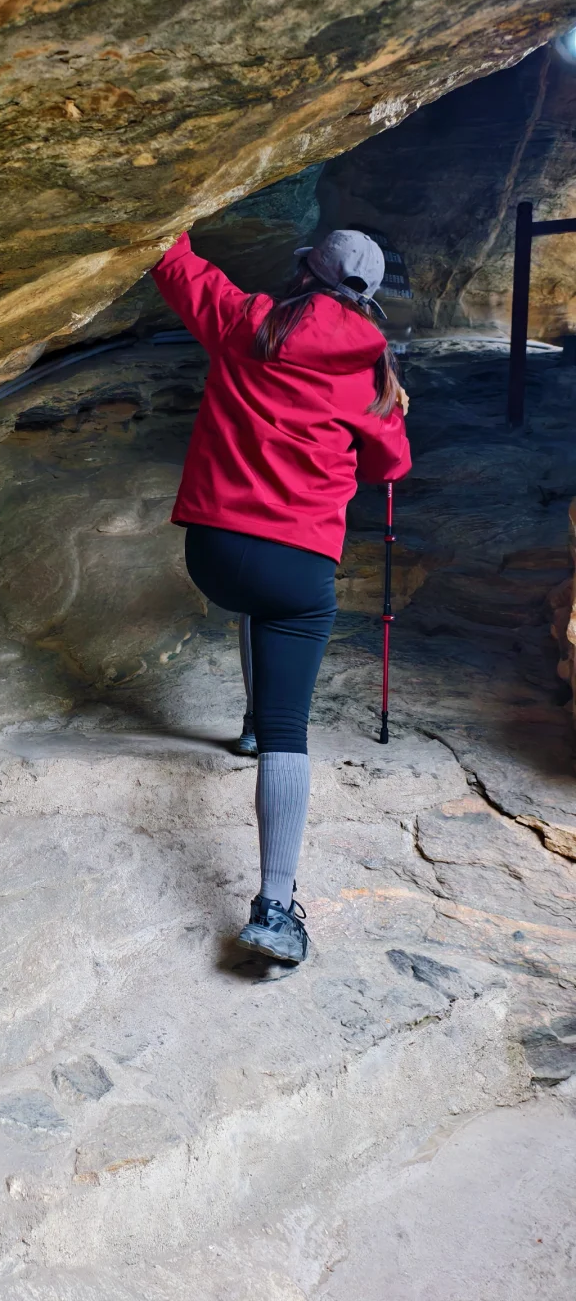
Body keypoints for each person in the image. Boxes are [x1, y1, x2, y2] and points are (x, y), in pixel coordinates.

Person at [151, 228, 411, 963]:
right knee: (292, 717)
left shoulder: (249, 320)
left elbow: (173, 261)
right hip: (294, 568)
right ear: (369, 297)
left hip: (212, 550)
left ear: (305, 268)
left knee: (250, 600)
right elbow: (388, 467)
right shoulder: (373, 373)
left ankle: (251, 721)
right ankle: (273, 908)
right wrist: (392, 410)